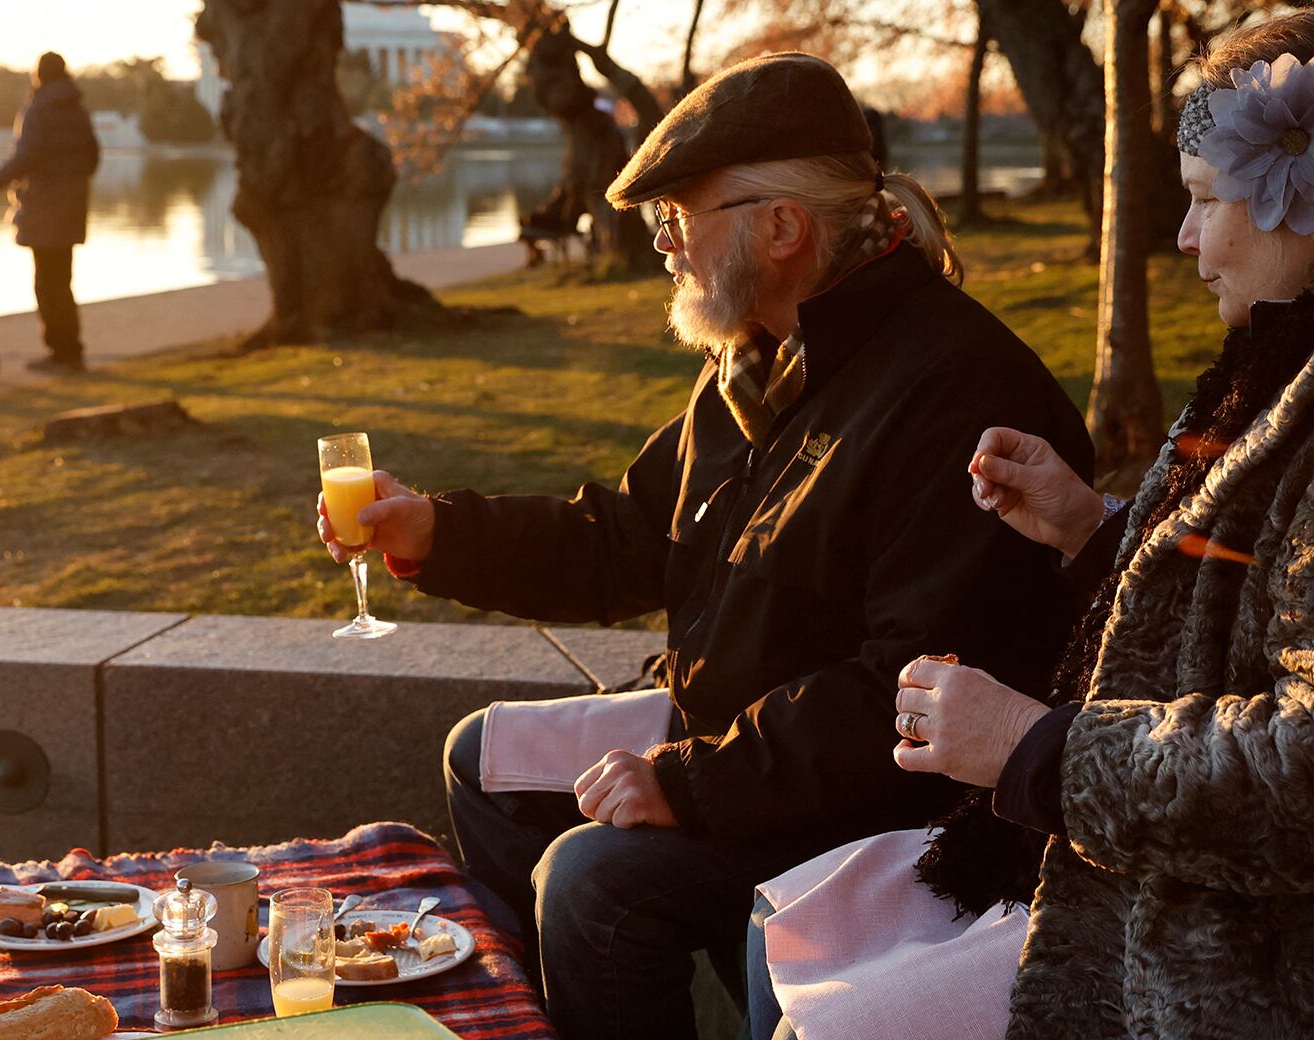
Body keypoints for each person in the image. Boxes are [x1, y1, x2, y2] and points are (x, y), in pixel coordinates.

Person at [744, 0, 1314, 1040]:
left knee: (826, 1018)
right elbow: (1295, 588)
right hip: (1280, 898)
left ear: (1309, 203)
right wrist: (1095, 529)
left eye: (1205, 199)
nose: (1181, 237)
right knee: (785, 924)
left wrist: (1037, 750)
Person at [318, 52, 1095, 1040]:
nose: (664, 243)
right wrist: (437, 530)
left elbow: (899, 693)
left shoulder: (956, 391)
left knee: (594, 876)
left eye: (681, 216)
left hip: (885, 805)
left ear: (782, 227)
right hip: (737, 737)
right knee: (484, 756)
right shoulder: (758, 356)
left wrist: (687, 782)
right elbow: (623, 539)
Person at [0, 51, 100, 373]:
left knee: (46, 283)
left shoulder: (39, 109)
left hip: (44, 207)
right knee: (62, 280)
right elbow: (93, 157)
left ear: (38, 75)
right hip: (71, 207)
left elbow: (24, 158)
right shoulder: (78, 111)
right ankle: (71, 349)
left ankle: (61, 352)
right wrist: (72, 183)